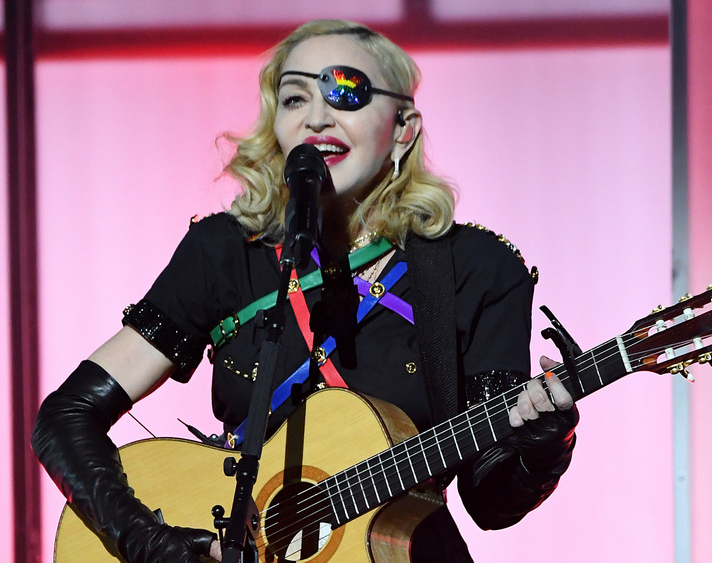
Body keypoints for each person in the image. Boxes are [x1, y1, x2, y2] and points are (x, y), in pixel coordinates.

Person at [32, 19, 578, 563]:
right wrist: (149, 544)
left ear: (403, 126)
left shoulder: (475, 269)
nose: (317, 117)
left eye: (346, 92)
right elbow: (65, 418)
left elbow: (490, 502)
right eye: (294, 99)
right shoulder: (224, 251)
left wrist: (545, 448)